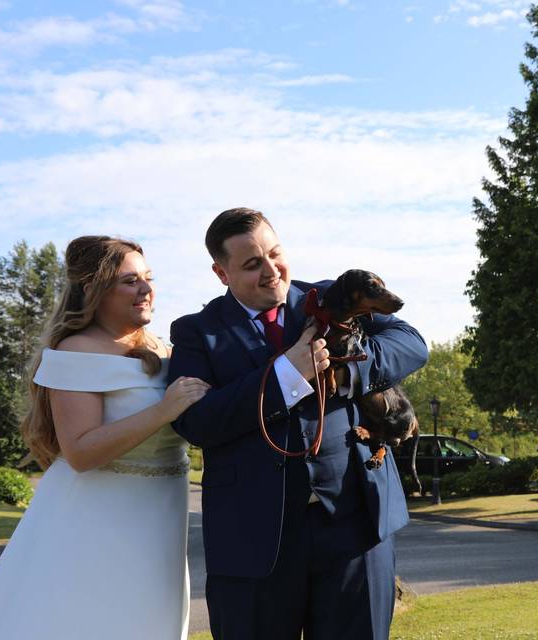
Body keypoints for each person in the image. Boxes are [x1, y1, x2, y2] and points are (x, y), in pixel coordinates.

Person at [168, 208, 428, 640]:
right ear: (221, 272)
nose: (271, 271)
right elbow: (197, 422)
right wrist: (289, 373)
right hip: (253, 540)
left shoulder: (333, 297)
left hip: (355, 524)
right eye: (252, 264)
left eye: (274, 253)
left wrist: (347, 372)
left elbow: (411, 344)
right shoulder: (196, 333)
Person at [0, 236, 210, 640]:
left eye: (148, 277)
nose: (146, 289)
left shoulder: (165, 347)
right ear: (94, 288)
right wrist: (165, 409)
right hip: (94, 516)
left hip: (162, 513)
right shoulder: (76, 350)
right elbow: (80, 452)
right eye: (129, 281)